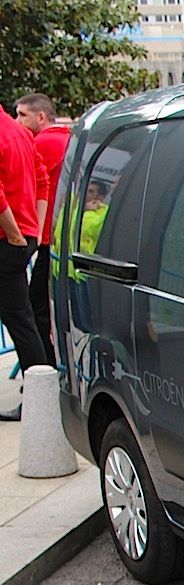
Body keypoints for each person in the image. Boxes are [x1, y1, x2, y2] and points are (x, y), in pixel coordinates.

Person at [0, 105, 48, 421]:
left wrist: (15, 233)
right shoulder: (16, 130)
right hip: (22, 238)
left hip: (8, 240)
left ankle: (40, 401)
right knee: (22, 321)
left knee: (21, 322)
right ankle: (41, 397)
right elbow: (42, 178)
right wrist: (35, 231)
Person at [15, 93, 69, 368]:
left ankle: (44, 376)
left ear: (41, 116)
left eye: (22, 115)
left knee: (36, 310)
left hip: (48, 239)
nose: (18, 121)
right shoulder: (69, 139)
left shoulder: (43, 143)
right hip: (66, 238)